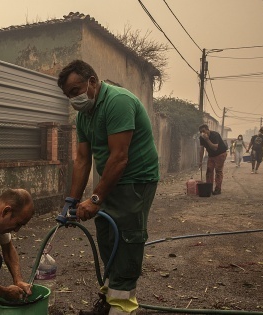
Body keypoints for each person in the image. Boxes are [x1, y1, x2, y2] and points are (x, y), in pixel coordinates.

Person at [57, 60, 159, 315]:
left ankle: (123, 305)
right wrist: (72, 200)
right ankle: (111, 295)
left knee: (126, 237)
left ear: (92, 81)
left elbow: (119, 157)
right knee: (107, 235)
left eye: (75, 90)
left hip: (135, 179)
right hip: (109, 180)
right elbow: (82, 159)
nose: (74, 99)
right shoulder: (85, 115)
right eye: (68, 95)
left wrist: (95, 198)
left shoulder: (118, 102)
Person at [198, 124, 228, 195]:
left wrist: (207, 140)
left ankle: (218, 189)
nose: (202, 133)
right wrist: (200, 161)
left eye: (203, 131)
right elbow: (201, 149)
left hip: (220, 154)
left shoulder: (215, 135)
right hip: (211, 155)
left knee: (218, 171)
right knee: (209, 171)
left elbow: (215, 147)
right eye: (201, 132)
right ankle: (209, 188)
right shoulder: (201, 138)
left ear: (208, 130)